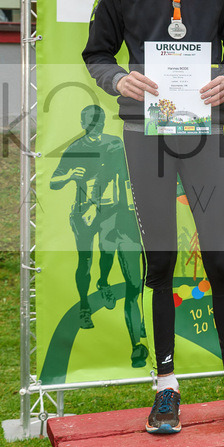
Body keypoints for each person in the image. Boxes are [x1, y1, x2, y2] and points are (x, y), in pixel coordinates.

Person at [82, 0, 224, 434]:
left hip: (204, 134)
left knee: (219, 261)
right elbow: (97, 55)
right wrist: (117, 81)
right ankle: (165, 388)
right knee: (158, 263)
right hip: (145, 134)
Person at [50, 104, 148, 367]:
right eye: (92, 122)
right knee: (85, 261)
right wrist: (70, 175)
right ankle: (84, 306)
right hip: (83, 213)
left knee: (110, 254)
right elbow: (53, 181)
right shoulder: (75, 148)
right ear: (84, 124)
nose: (97, 126)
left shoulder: (115, 143)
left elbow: (123, 172)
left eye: (101, 121)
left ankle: (106, 286)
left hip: (110, 210)